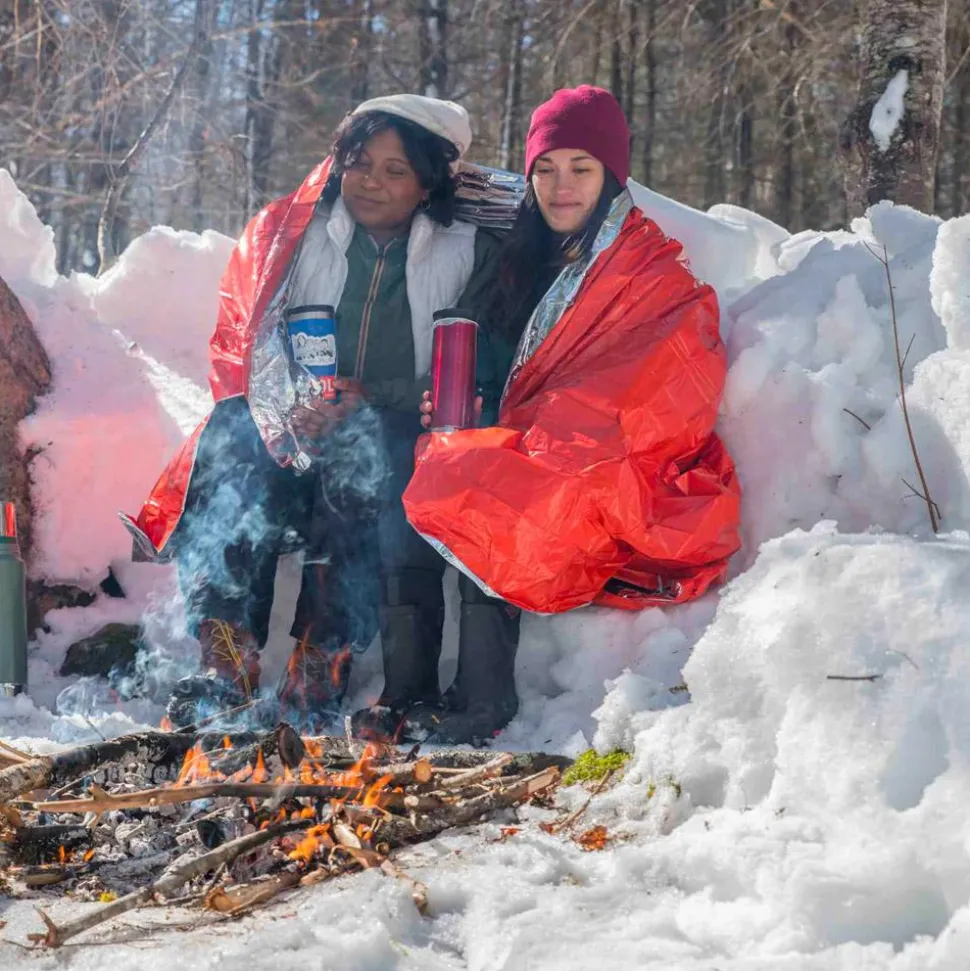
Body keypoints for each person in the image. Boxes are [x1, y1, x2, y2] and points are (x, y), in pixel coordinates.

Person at [122, 94, 502, 730]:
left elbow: (480, 364)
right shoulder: (298, 238)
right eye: (360, 163)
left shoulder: (464, 251)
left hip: (398, 431)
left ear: (429, 181)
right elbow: (250, 342)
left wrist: (375, 397)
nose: (371, 183)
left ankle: (321, 660)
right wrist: (290, 405)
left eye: (395, 170)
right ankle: (227, 656)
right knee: (231, 432)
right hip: (301, 420)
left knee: (363, 451)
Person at [400, 85, 743, 744]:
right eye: (546, 169)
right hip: (527, 437)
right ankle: (407, 682)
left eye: (581, 169)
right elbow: (492, 353)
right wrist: (463, 400)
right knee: (459, 465)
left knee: (509, 483)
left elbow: (669, 371)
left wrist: (553, 425)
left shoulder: (645, 267)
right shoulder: (515, 258)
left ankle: (484, 695)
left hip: (607, 455)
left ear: (612, 176)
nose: (561, 187)